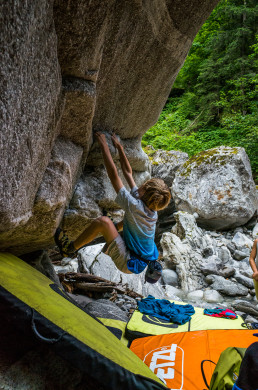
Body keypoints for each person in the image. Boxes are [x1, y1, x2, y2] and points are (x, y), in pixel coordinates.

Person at [55, 132, 171, 280]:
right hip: (137, 257)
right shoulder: (150, 208)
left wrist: (104, 145)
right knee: (125, 221)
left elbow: (114, 175)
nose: (141, 185)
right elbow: (128, 173)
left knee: (103, 221)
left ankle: (69, 249)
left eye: (144, 185)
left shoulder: (135, 205)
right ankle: (114, 227)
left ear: (145, 192)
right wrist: (119, 147)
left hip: (128, 262)